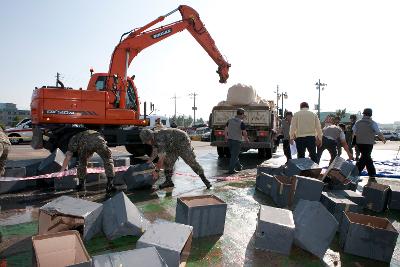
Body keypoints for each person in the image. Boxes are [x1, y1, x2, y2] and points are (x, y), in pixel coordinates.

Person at [139, 128, 211, 189]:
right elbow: (154, 151)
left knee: (191, 161)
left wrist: (156, 171)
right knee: (168, 162)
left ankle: (205, 180)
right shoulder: (154, 140)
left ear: (150, 138)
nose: (147, 143)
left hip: (182, 142)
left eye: (147, 141)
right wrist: (149, 161)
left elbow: (161, 158)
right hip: (172, 146)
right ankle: (168, 181)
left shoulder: (159, 138)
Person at [352, 108, 386, 181]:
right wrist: (383, 139)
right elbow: (378, 132)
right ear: (370, 114)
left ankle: (372, 174)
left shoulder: (357, 122)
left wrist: (354, 142)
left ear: (363, 114)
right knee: (364, 157)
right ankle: (355, 173)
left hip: (359, 143)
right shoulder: (372, 123)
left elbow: (354, 133)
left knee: (366, 157)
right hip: (368, 143)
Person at [224, 108, 249, 174]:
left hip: (230, 140)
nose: (244, 116)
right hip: (237, 141)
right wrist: (246, 139)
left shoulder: (229, 120)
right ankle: (231, 170)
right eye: (243, 114)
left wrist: (226, 136)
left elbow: (226, 129)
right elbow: (244, 132)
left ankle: (239, 166)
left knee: (234, 154)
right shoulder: (241, 122)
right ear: (242, 114)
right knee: (234, 156)